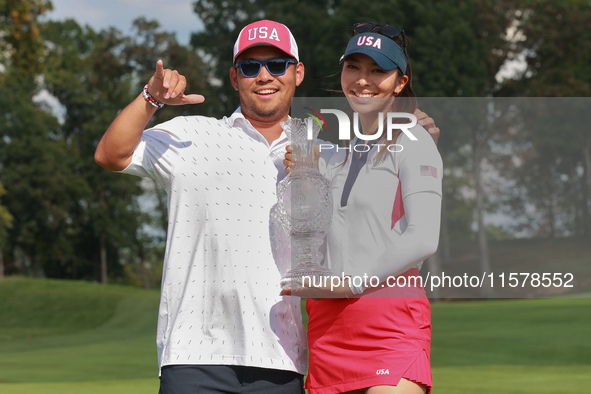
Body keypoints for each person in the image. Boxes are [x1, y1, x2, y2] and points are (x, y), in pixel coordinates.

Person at [95, 18, 439, 393]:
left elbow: (381, 214)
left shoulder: (324, 155)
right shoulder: (192, 134)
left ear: (298, 72)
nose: (264, 75)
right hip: (194, 355)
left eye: (276, 65)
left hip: (282, 357)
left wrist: (409, 126)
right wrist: (151, 98)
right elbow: (111, 156)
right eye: (250, 66)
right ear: (234, 76)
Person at [282, 23, 442, 394]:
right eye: (353, 67)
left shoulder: (414, 140)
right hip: (327, 330)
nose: (363, 80)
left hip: (390, 329)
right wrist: (303, 175)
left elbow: (423, 238)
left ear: (400, 83)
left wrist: (353, 283)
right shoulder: (332, 158)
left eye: (378, 70)